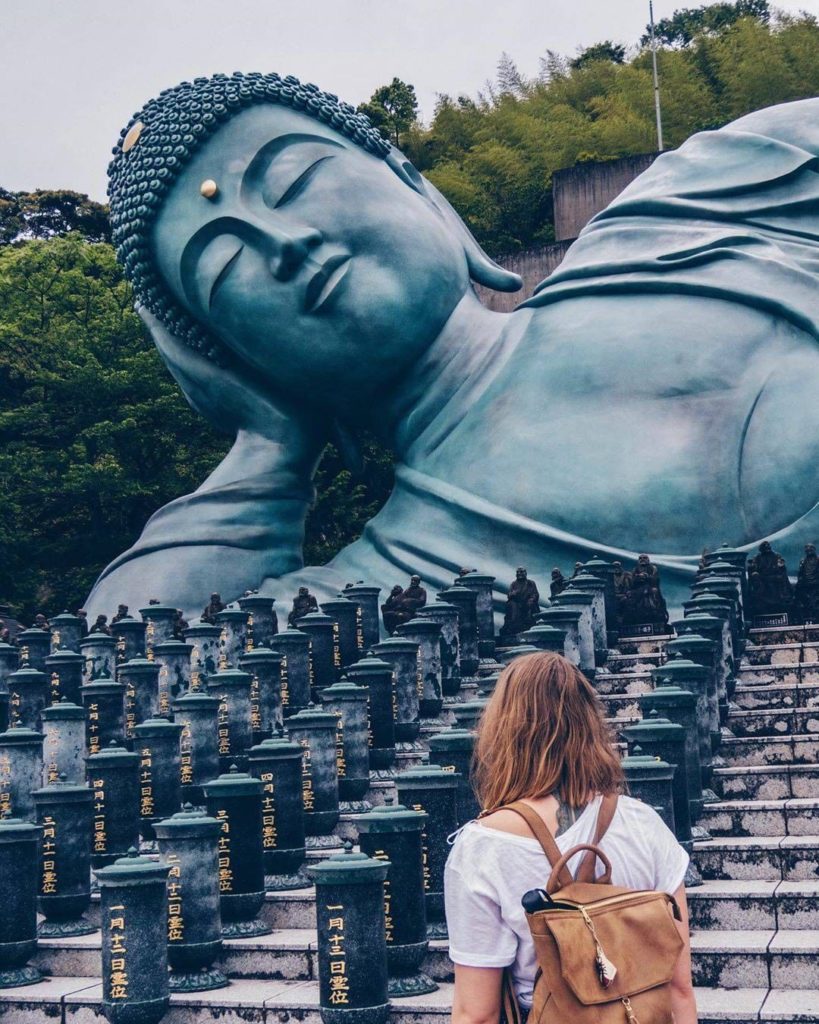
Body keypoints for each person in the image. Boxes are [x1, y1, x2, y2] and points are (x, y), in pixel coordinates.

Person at [86, 77, 819, 620]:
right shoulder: (389, 581)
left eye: (292, 179)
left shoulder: (712, 198)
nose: (282, 245)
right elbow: (122, 664)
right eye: (223, 271)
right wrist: (265, 447)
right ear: (236, 361)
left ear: (414, 182)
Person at [444, 651, 696, 1023]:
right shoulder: (643, 824)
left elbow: (477, 1013)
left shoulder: (482, 847)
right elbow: (679, 988)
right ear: (590, 726)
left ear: (502, 732)